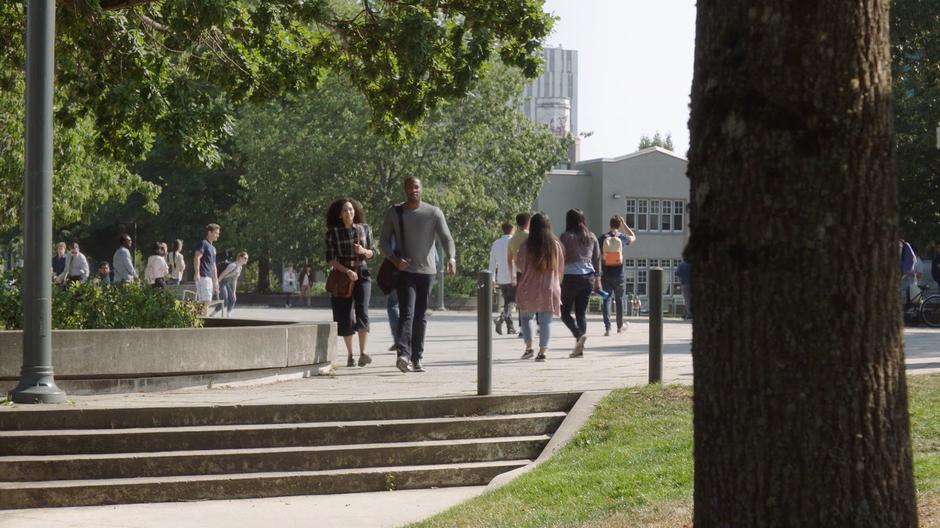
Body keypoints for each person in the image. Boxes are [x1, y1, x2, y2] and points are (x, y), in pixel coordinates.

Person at [380, 177, 456, 373]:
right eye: (409, 187)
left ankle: (417, 357)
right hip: (405, 272)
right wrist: (396, 261)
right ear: (404, 189)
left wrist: (451, 258)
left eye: (416, 187)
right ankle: (403, 354)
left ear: (421, 189)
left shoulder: (433, 212)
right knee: (407, 312)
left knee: (420, 316)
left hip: (427, 272)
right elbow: (384, 241)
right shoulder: (395, 212)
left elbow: (446, 238)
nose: (413, 190)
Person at [326, 198, 376, 368]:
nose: (349, 212)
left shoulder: (364, 229)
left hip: (362, 273)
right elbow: (330, 259)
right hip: (343, 275)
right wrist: (346, 271)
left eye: (351, 209)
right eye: (345, 210)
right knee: (346, 315)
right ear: (340, 215)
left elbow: (373, 252)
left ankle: (363, 353)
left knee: (363, 311)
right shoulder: (332, 233)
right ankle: (350, 355)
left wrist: (364, 251)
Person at [515, 213, 564, 362]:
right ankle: (543, 352)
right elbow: (560, 268)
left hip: (529, 286)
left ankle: (529, 347)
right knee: (545, 322)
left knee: (526, 318)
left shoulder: (526, 245)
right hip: (550, 287)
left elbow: (520, 266)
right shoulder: (555, 246)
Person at [559, 208, 601, 358]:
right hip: (588, 277)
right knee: (581, 313)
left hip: (571, 277)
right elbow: (596, 259)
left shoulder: (565, 237)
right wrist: (598, 279)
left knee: (564, 312)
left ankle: (578, 335)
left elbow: (560, 257)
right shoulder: (592, 236)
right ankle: (579, 349)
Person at [598, 215, 637, 336]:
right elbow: (634, 237)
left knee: (606, 300)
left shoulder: (603, 237)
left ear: (610, 225)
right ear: (619, 225)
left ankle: (607, 328)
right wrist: (625, 225)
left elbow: (598, 253)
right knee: (619, 300)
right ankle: (619, 326)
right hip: (619, 274)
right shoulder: (622, 237)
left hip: (606, 274)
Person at [488, 222, 516, 335]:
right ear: (512, 229)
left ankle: (510, 327)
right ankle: (501, 318)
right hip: (513, 275)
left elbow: (492, 263)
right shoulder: (514, 242)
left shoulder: (496, 243)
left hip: (501, 277)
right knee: (513, 301)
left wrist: (492, 278)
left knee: (507, 301)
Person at [194, 224, 221, 311]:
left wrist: (216, 281)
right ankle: (199, 319)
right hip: (202, 276)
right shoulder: (203, 243)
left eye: (218, 233)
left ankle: (203, 318)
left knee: (208, 300)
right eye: (216, 233)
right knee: (203, 300)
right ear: (209, 232)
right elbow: (197, 257)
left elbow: (213, 265)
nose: (218, 235)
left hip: (209, 277)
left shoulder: (213, 248)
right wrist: (197, 273)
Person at [218, 251, 249, 317]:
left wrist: (234, 292)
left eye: (247, 258)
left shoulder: (240, 268)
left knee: (233, 299)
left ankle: (228, 315)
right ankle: (212, 315)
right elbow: (222, 275)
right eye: (245, 258)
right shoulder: (232, 265)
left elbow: (235, 280)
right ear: (240, 258)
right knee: (225, 301)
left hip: (226, 283)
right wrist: (216, 284)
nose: (246, 260)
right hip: (221, 282)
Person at [676, 248, 692, 320]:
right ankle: (686, 313)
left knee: (686, 299)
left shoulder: (681, 265)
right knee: (690, 299)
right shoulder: (691, 264)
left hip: (684, 284)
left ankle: (689, 314)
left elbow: (677, 274)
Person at [900, 238, 917, 306]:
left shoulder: (904, 246)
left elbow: (911, 259)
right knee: (908, 291)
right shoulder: (906, 245)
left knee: (906, 291)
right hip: (907, 272)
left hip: (907, 272)